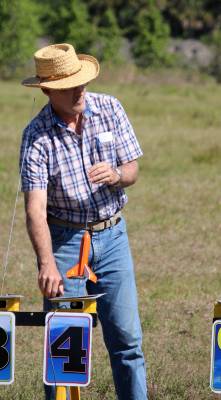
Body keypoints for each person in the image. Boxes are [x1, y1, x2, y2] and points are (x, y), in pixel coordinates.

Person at [20, 43, 147, 400]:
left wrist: (118, 174)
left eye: (81, 82)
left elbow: (134, 170)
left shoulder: (110, 108)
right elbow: (35, 209)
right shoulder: (36, 137)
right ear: (47, 91)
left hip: (113, 236)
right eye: (68, 86)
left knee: (127, 341)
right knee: (63, 345)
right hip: (65, 242)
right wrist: (47, 263)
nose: (79, 91)